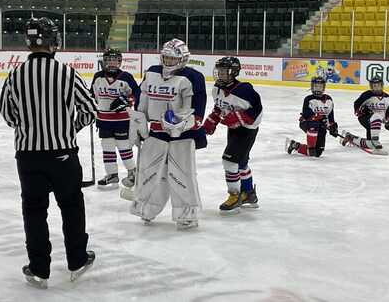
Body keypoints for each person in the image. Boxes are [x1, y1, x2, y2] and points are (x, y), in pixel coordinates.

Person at [0, 17, 97, 288]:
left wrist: (27, 126)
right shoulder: (67, 73)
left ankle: (39, 268)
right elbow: (90, 110)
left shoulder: (15, 74)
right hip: (63, 154)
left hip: (28, 155)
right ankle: (77, 260)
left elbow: (7, 114)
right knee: (71, 205)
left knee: (33, 209)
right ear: (55, 41)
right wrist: (70, 127)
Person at [129, 38, 207, 230]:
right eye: (166, 57)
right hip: (155, 132)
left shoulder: (192, 77)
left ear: (183, 59)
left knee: (181, 174)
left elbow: (195, 112)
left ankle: (187, 211)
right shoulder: (152, 73)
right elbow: (143, 100)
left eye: (172, 58)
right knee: (148, 170)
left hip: (182, 134)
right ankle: (147, 205)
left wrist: (181, 124)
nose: (168, 61)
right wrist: (139, 121)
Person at [202, 57, 262, 215]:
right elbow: (219, 108)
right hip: (233, 129)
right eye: (219, 70)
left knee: (229, 162)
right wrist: (211, 121)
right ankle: (249, 194)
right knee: (240, 163)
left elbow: (257, 110)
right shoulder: (216, 88)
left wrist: (241, 118)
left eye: (224, 71)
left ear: (233, 72)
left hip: (247, 130)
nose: (220, 73)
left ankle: (235, 196)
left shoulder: (245, 90)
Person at [89, 48, 140, 190]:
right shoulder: (98, 76)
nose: (111, 62)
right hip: (104, 120)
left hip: (122, 120)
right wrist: (89, 107)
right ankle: (112, 174)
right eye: (109, 59)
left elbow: (136, 93)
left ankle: (133, 172)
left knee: (124, 147)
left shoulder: (126, 77)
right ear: (104, 61)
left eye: (114, 59)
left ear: (119, 61)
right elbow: (92, 94)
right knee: (107, 147)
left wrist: (128, 99)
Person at [286, 76, 339, 157]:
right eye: (316, 86)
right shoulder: (308, 99)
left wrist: (333, 127)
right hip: (306, 123)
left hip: (321, 126)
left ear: (323, 87)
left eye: (320, 86)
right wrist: (320, 118)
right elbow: (306, 115)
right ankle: (310, 147)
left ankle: (295, 146)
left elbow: (330, 116)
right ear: (312, 86)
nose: (318, 88)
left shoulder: (329, 99)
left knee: (317, 152)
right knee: (314, 125)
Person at [340, 76, 389, 152]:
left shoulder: (387, 98)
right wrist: (363, 110)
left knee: (370, 145)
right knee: (376, 116)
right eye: (375, 86)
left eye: (378, 85)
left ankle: (350, 137)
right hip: (365, 119)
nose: (377, 88)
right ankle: (375, 139)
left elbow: (387, 115)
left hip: (376, 123)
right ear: (371, 86)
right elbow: (357, 105)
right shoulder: (367, 95)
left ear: (382, 85)